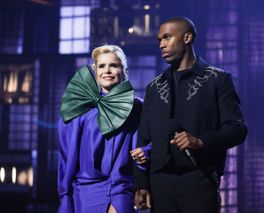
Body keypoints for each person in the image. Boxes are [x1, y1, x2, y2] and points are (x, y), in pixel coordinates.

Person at [133, 17, 248, 213]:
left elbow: (238, 129)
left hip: (200, 178)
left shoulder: (218, 80)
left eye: (167, 38)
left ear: (187, 37)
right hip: (160, 184)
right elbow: (143, 138)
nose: (161, 44)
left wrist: (200, 142)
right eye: (159, 39)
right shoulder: (154, 86)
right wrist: (142, 183)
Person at [57, 44, 146, 213]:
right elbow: (66, 157)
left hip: (122, 188)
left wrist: (146, 152)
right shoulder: (79, 110)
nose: (107, 70)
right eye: (102, 66)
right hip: (85, 190)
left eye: (114, 65)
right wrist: (65, 196)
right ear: (95, 70)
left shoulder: (137, 106)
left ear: (124, 69)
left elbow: (151, 140)